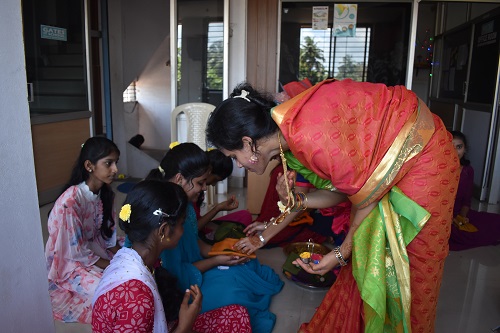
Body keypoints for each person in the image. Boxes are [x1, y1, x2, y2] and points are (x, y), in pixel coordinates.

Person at [206, 79, 460, 333]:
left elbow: (365, 197)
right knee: (368, 258)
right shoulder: (286, 135)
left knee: (409, 271)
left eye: (233, 156)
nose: (238, 165)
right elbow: (344, 189)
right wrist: (297, 203)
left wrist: (339, 255)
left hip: (421, 154)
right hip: (386, 166)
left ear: (248, 143)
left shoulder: (307, 137)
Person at [146, 142, 284, 333]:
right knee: (235, 292)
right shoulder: (164, 217)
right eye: (201, 182)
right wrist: (217, 259)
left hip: (189, 272)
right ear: (179, 179)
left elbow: (197, 244)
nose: (204, 188)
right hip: (176, 288)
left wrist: (226, 252)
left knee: (242, 267)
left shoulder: (183, 205)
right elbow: (176, 274)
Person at [92, 180, 252, 333]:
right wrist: (183, 326)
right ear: (164, 231)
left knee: (237, 314)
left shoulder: (130, 257)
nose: (184, 231)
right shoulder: (137, 300)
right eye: (182, 224)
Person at [45, 136, 121, 323]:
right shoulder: (70, 203)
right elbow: (74, 254)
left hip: (95, 248)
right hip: (71, 263)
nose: (115, 170)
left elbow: (108, 235)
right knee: (111, 291)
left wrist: (122, 257)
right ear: (89, 166)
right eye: (109, 163)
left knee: (132, 262)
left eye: (116, 163)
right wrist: (112, 264)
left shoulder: (106, 193)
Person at [449, 130, 500, 251]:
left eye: (459, 147)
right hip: (442, 217)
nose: (455, 151)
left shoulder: (467, 171)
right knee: (454, 236)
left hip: (459, 215)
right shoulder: (436, 169)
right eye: (450, 147)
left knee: (495, 222)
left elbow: (467, 201)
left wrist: (462, 216)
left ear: (465, 149)